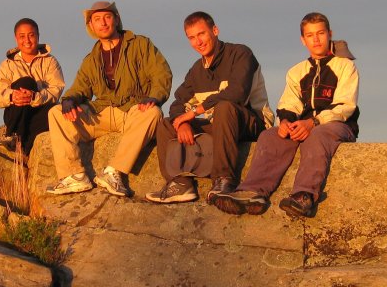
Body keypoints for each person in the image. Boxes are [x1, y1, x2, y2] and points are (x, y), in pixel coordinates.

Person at [212, 12, 359, 218]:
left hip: (336, 125)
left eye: (320, 33)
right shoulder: (296, 71)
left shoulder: (345, 66)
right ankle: (253, 192)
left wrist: (314, 122)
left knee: (317, 136)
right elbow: (288, 103)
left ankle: (303, 194)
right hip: (303, 124)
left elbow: (345, 106)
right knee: (271, 136)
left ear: (329, 34)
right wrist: (287, 123)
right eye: (310, 35)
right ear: (303, 40)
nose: (316, 39)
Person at [46, 1, 172, 198]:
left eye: (107, 17)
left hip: (132, 111)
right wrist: (69, 100)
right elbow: (80, 86)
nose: (103, 23)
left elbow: (161, 74)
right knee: (56, 113)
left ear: (116, 20)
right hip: (101, 113)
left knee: (153, 113)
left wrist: (154, 97)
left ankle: (113, 172)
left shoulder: (140, 44)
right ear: (91, 26)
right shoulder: (92, 58)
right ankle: (75, 176)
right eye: (97, 19)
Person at [146, 11, 273, 204]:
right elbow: (178, 102)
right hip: (218, 125)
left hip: (251, 122)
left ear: (215, 30)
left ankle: (224, 181)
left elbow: (237, 94)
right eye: (192, 38)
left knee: (224, 107)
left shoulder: (240, 54)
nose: (198, 42)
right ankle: (180, 183)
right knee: (166, 124)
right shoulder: (197, 70)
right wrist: (182, 124)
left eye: (202, 34)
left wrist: (195, 112)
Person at [0, 18, 65, 156]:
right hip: (16, 113)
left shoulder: (50, 62)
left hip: (39, 114)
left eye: (31, 35)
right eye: (22, 36)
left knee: (56, 111)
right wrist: (13, 96)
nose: (27, 40)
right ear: (16, 38)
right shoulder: (8, 64)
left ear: (38, 36)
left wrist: (34, 97)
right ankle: (12, 134)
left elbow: (56, 90)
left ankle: (23, 149)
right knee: (25, 83)